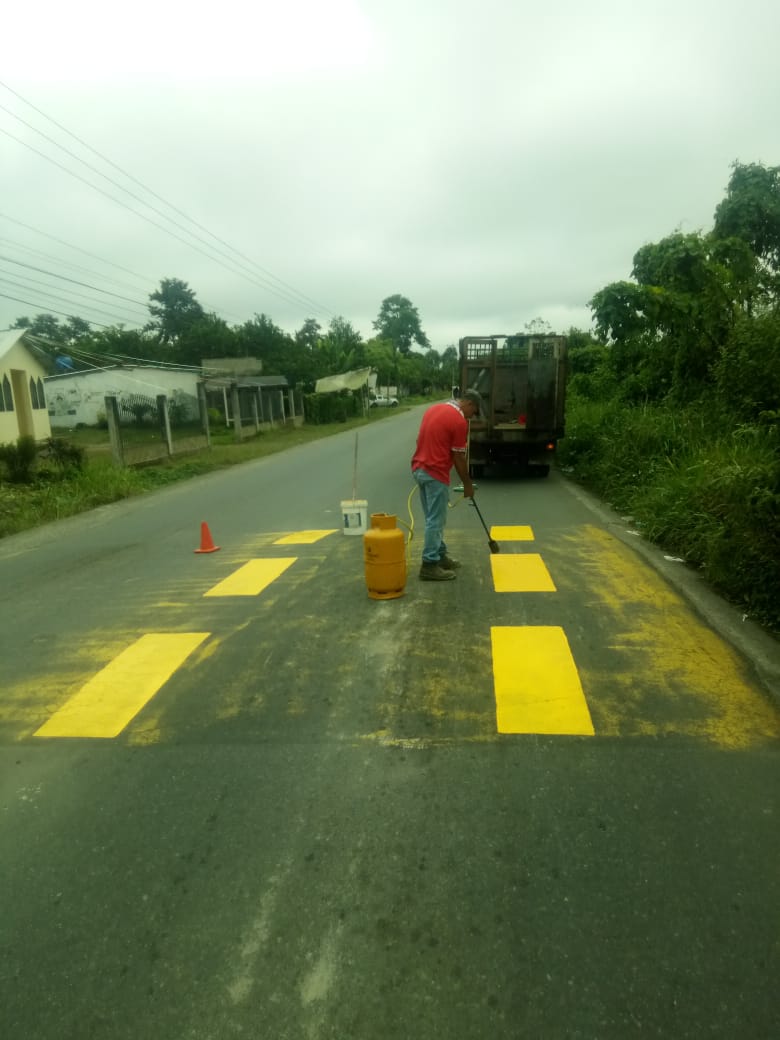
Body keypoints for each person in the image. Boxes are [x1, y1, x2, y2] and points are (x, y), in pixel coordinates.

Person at [411, 388, 481, 581]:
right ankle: (429, 564)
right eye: (474, 412)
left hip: (419, 469)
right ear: (469, 404)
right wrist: (468, 484)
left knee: (432, 518)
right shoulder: (458, 421)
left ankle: (440, 555)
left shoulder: (434, 409)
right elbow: (458, 457)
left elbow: (419, 439)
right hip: (435, 472)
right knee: (436, 520)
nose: (472, 417)